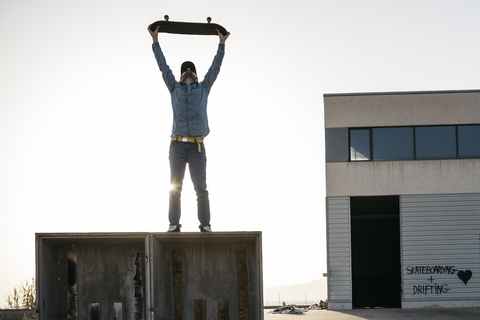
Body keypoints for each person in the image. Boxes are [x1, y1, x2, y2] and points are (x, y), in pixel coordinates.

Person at [147, 24, 230, 232]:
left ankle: (205, 225)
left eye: (191, 70)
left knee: (201, 189)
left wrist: (221, 44)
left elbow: (215, 69)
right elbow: (162, 66)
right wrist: (155, 42)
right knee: (175, 188)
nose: (188, 72)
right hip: (176, 145)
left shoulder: (203, 88)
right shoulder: (174, 88)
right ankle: (174, 224)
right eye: (184, 70)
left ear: (196, 75)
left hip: (197, 147)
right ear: (180, 74)